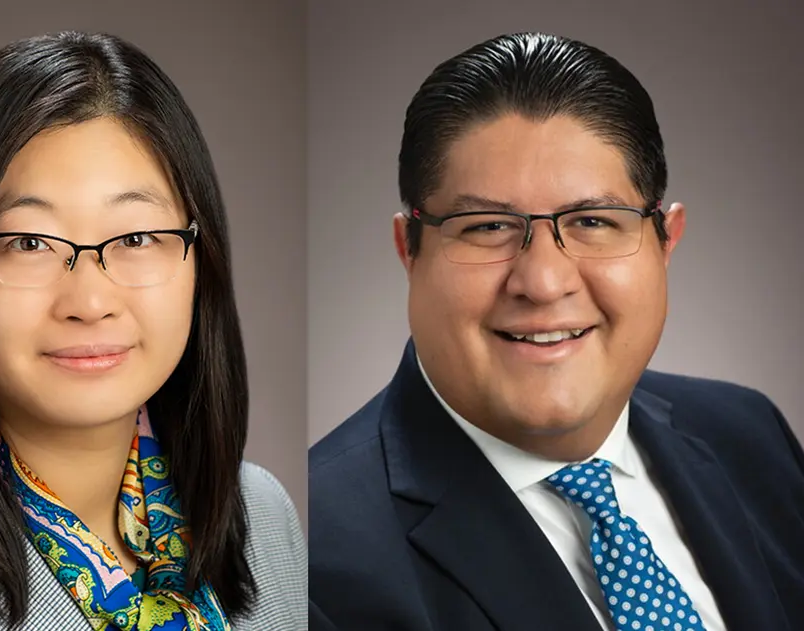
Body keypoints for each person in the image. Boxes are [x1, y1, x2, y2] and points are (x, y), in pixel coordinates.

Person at [0, 31, 305, 631]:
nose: (90, 301)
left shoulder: (266, 518)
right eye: (29, 243)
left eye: (137, 237)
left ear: (204, 260)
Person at [308, 31, 804, 631]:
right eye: (487, 226)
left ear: (665, 241)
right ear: (408, 250)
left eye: (594, 220)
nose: (543, 281)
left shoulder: (750, 436)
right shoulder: (315, 553)